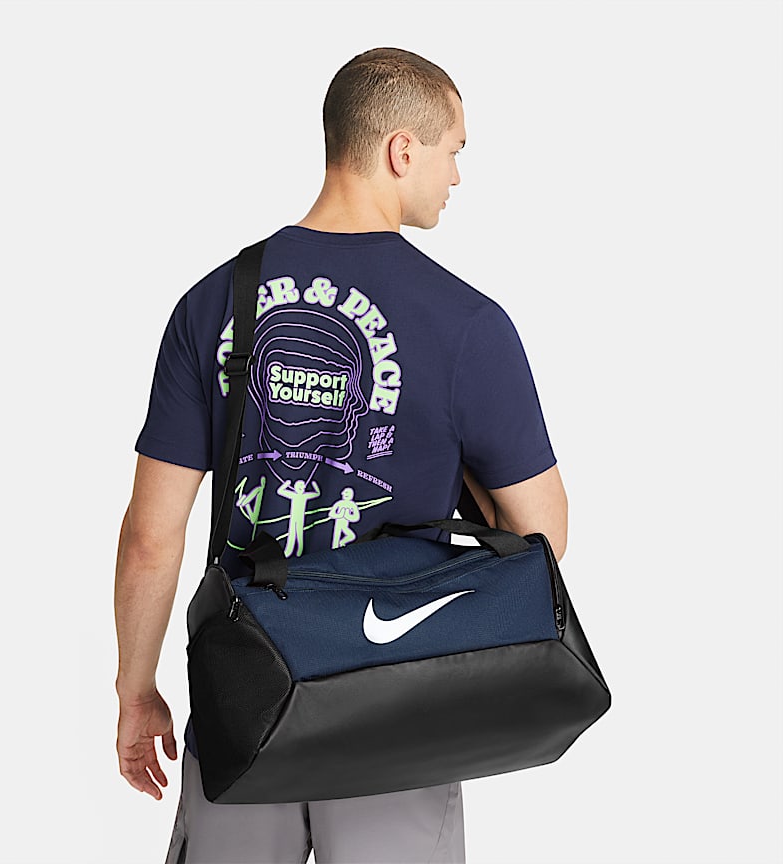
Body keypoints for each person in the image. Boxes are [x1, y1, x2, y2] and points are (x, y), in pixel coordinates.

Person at [115, 46, 568, 864]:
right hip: (398, 715)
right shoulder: (468, 325)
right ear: (402, 150)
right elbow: (542, 539)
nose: (457, 176)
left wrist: (135, 690)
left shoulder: (211, 303)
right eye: (454, 150)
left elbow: (152, 536)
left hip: (244, 706)